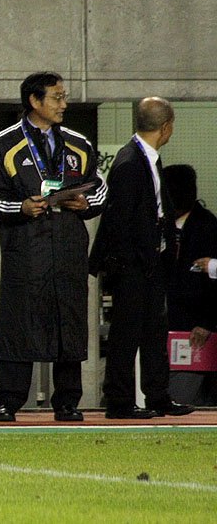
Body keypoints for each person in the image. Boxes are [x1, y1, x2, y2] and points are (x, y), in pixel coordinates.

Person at [0, 72, 108, 422]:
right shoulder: (5, 142)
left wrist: (85, 204)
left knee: (70, 321)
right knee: (18, 321)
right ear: (34, 101)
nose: (64, 104)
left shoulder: (78, 143)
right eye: (56, 97)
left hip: (68, 247)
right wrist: (20, 207)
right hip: (26, 248)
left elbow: (99, 189)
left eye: (64, 97)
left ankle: (67, 401)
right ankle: (9, 400)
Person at [89, 96, 194, 419]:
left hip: (149, 262)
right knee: (126, 334)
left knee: (153, 332)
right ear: (166, 127)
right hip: (133, 264)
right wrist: (128, 265)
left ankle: (158, 396)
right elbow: (120, 222)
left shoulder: (145, 158)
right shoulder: (130, 163)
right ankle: (119, 401)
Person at [161, 165, 217, 405]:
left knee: (189, 392)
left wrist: (207, 322)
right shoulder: (161, 226)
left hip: (195, 326)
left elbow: (213, 286)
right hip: (167, 322)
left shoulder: (207, 227)